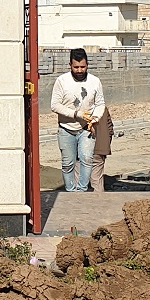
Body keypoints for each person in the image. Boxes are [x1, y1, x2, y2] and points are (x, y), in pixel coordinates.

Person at [51, 48, 104, 192]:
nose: (80, 70)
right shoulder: (62, 81)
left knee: (87, 159)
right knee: (68, 164)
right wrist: (76, 114)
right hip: (66, 129)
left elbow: (100, 104)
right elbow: (55, 105)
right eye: (76, 67)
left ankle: (82, 191)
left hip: (86, 129)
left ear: (87, 65)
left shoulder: (95, 81)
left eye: (83, 67)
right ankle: (70, 191)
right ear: (70, 65)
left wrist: (95, 118)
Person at [88, 101, 114, 193]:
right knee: (97, 179)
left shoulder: (80, 108)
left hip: (83, 148)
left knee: (79, 179)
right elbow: (110, 128)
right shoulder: (103, 108)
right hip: (100, 148)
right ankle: (99, 201)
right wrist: (106, 143)